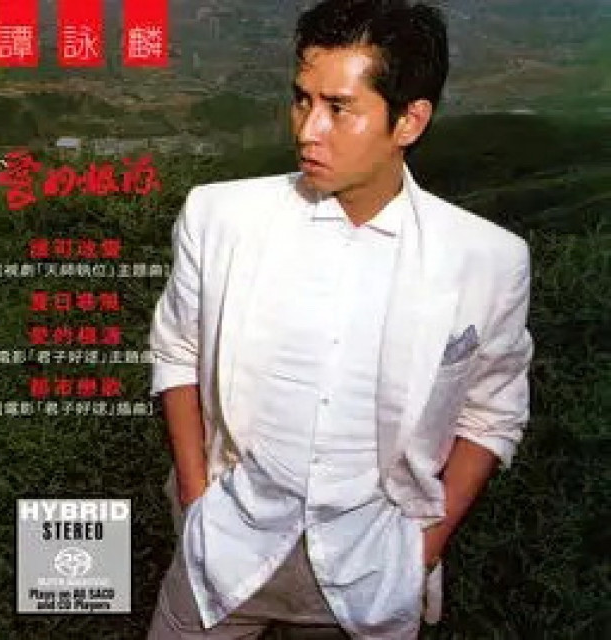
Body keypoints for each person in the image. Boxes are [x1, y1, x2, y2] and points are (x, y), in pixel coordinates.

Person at [147, 0, 533, 638]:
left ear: (409, 121)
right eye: (302, 100)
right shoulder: (221, 218)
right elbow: (176, 353)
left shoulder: (487, 260)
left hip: (372, 572)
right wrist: (195, 499)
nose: (308, 129)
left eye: (339, 107)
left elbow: (493, 413)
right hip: (224, 548)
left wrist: (424, 549)